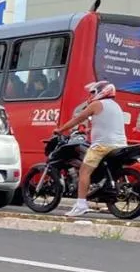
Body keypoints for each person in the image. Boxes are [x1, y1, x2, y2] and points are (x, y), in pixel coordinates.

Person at [54, 80, 128, 217]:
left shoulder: (96, 104)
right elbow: (106, 124)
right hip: (121, 144)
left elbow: (78, 118)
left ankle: (81, 204)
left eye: (94, 92)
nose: (92, 94)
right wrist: (88, 130)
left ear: (102, 91)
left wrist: (60, 129)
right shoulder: (116, 106)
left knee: (84, 171)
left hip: (102, 145)